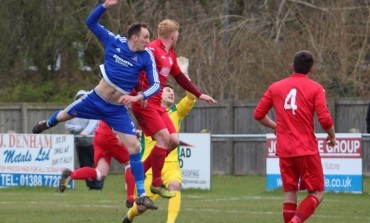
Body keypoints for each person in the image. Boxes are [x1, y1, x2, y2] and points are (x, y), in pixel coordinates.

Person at [31, 0, 160, 210]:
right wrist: (104, 5)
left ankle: (142, 195)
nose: (149, 40)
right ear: (134, 37)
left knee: (135, 146)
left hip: (116, 109)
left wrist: (138, 97)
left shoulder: (146, 57)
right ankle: (47, 123)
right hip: (96, 99)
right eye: (146, 37)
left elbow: (155, 84)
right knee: (64, 116)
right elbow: (90, 22)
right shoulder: (114, 41)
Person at [131, 20, 217, 199]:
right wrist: (139, 94)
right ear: (173, 35)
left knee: (174, 141)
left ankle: (140, 171)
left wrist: (199, 94)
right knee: (163, 138)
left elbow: (179, 78)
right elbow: (134, 70)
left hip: (156, 105)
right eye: (178, 34)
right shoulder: (152, 49)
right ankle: (156, 183)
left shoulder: (170, 54)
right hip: (145, 103)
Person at [254, 50, 336, 223]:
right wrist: (332, 136)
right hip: (306, 149)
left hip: (285, 150)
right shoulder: (316, 88)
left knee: (290, 195)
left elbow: (259, 114)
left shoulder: (275, 87)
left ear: (292, 66)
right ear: (312, 69)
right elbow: (325, 119)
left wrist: (276, 126)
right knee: (318, 192)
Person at [123, 83, 196, 223]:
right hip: (150, 167)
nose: (172, 93)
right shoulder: (147, 109)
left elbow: (191, 97)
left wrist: (184, 73)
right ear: (158, 94)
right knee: (140, 208)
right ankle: (129, 216)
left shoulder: (177, 111)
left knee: (175, 186)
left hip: (171, 164)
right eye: (168, 90)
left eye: (173, 91)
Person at [60, 120, 136, 208]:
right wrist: (120, 135)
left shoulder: (104, 106)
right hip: (111, 136)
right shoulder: (119, 106)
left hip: (99, 135)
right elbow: (116, 117)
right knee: (131, 163)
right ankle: (131, 199)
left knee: (100, 173)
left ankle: (72, 174)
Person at [64, 90, 102, 190]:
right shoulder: (72, 112)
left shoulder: (92, 110)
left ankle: (98, 185)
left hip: (93, 142)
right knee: (85, 165)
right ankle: (91, 186)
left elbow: (93, 123)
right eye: (79, 99)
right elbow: (67, 125)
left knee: (97, 165)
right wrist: (77, 128)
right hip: (80, 143)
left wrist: (86, 132)